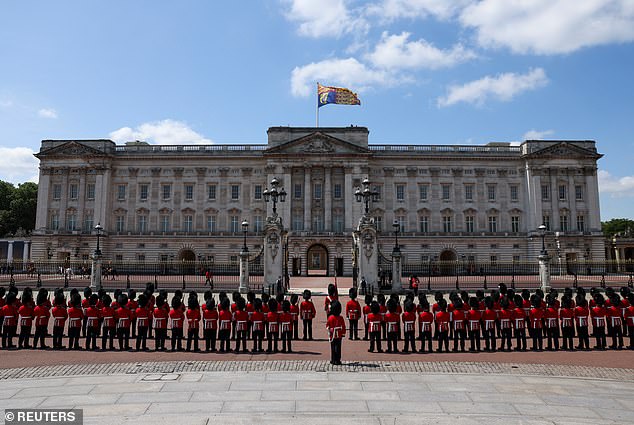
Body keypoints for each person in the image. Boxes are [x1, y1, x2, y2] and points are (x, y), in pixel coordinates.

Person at [326, 300, 346, 365]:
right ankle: (338, 360)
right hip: (339, 334)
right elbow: (343, 326)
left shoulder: (330, 317)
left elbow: (327, 325)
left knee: (333, 347)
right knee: (338, 347)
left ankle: (333, 359)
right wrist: (343, 333)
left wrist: (329, 330)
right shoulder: (341, 318)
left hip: (332, 335)